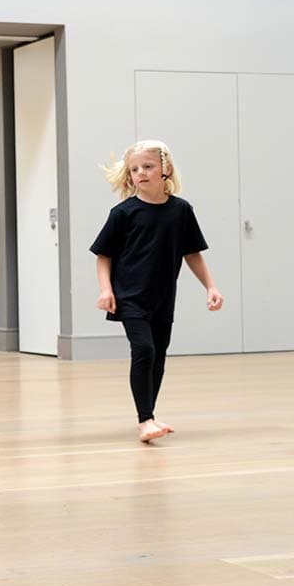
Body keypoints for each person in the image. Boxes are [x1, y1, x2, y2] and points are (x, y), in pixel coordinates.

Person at [91, 140, 224, 442]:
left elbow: (193, 254)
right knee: (144, 349)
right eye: (135, 169)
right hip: (129, 296)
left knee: (159, 355)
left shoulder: (181, 211)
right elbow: (103, 255)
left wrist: (211, 287)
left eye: (148, 166)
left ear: (166, 169)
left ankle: (149, 413)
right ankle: (145, 420)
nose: (141, 172)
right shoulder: (122, 213)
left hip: (163, 298)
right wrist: (105, 290)